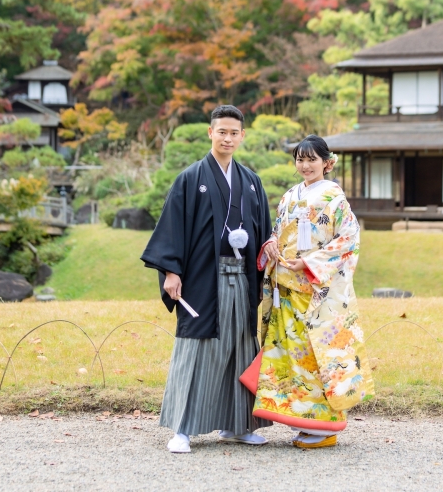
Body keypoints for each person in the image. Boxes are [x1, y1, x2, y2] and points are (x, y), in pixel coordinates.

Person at [141, 105, 273, 453]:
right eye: (222, 132)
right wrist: (171, 272)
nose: (228, 138)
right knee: (196, 349)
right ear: (210, 133)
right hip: (203, 279)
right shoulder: (190, 178)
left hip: (241, 278)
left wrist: (268, 262)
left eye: (234, 133)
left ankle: (237, 426)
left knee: (240, 347)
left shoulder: (251, 181)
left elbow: (264, 231)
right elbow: (173, 227)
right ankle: (182, 429)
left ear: (242, 136)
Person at [254, 134, 374, 449]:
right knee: (292, 358)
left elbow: (349, 238)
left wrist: (308, 263)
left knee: (316, 356)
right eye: (300, 159)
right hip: (285, 287)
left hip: (315, 290)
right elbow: (277, 231)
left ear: (326, 163)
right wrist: (271, 244)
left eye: (312, 160)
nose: (305, 165)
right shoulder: (289, 196)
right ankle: (306, 421)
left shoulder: (334, 197)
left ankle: (326, 426)